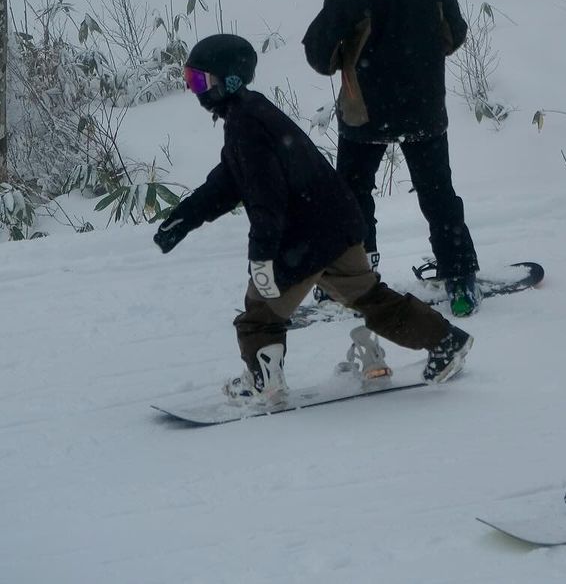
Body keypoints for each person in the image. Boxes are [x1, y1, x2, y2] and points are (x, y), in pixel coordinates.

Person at [152, 33, 473, 404]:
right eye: (189, 79)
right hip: (338, 226)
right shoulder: (252, 114)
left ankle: (263, 382)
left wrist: (263, 258)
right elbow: (228, 180)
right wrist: (183, 219)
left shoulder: (246, 124)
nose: (194, 91)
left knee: (259, 317)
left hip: (304, 239)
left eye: (199, 81)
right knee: (372, 299)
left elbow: (264, 199)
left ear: (229, 80)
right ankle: (447, 341)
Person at [302, 0, 481, 317]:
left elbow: (318, 56)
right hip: (424, 110)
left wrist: (353, 54)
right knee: (439, 195)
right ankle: (460, 279)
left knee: (353, 195)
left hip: (364, 115)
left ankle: (354, 277)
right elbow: (454, 34)